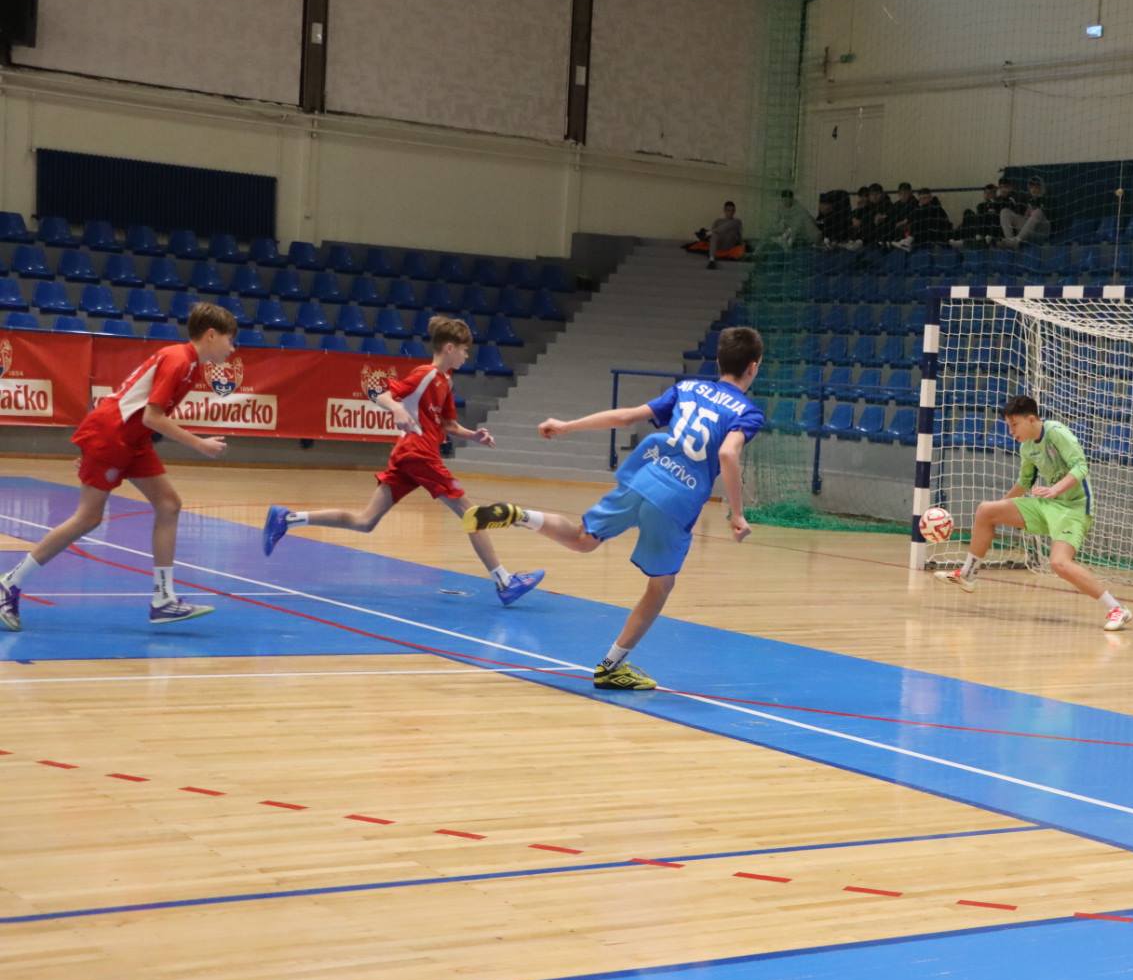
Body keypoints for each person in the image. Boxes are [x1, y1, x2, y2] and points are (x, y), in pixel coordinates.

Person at [462, 326, 766, 691]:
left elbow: (626, 417)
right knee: (660, 586)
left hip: (645, 474)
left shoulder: (688, 388)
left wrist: (567, 426)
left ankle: (519, 516)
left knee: (582, 538)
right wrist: (737, 514)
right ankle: (611, 666)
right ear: (753, 367)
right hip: (678, 499)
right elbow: (728, 453)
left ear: (718, 360)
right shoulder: (748, 412)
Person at [261, 316, 543, 607]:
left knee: (365, 521)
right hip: (418, 453)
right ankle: (504, 581)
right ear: (449, 348)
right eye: (464, 350)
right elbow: (382, 394)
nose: (467, 355)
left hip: (408, 456)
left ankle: (288, 519)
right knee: (471, 513)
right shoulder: (426, 374)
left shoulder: (446, 381)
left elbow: (448, 424)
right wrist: (396, 409)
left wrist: (474, 435)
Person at [1, 303, 238, 631]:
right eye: (230, 340)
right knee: (88, 518)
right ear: (211, 335)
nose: (232, 348)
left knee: (169, 505)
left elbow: (142, 415)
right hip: (112, 434)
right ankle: (9, 582)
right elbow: (152, 417)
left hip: (132, 439)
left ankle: (163, 599)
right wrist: (200, 444)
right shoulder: (178, 359)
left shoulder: (191, 366)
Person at [934, 395, 1132, 632]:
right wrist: (1000, 507)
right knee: (986, 511)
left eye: (1014, 425)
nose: (1011, 431)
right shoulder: (1026, 447)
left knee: (1059, 563)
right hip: (1047, 504)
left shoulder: (1056, 432)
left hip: (1074, 509)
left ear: (1031, 419)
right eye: (1008, 426)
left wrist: (1054, 490)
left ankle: (1117, 609)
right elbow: (1025, 482)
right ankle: (968, 574)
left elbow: (1081, 467)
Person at [683, 201, 745, 268]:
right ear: (724, 210)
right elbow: (713, 236)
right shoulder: (718, 221)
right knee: (715, 234)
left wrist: (741, 243)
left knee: (734, 222)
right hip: (719, 243)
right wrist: (711, 234)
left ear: (734, 211)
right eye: (728, 210)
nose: (730, 212)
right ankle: (711, 260)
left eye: (732, 210)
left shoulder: (737, 222)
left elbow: (739, 237)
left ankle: (707, 233)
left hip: (729, 243)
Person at [1001, 176, 1052, 247]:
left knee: (1038, 212)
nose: (1033, 189)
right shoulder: (1029, 200)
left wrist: (1035, 210)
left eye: (1036, 187)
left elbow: (1047, 218)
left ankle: (1016, 241)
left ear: (1041, 188)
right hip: (1027, 232)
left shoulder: (1047, 199)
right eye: (1031, 187)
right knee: (1005, 211)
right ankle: (1010, 241)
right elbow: (1024, 218)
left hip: (1041, 231)